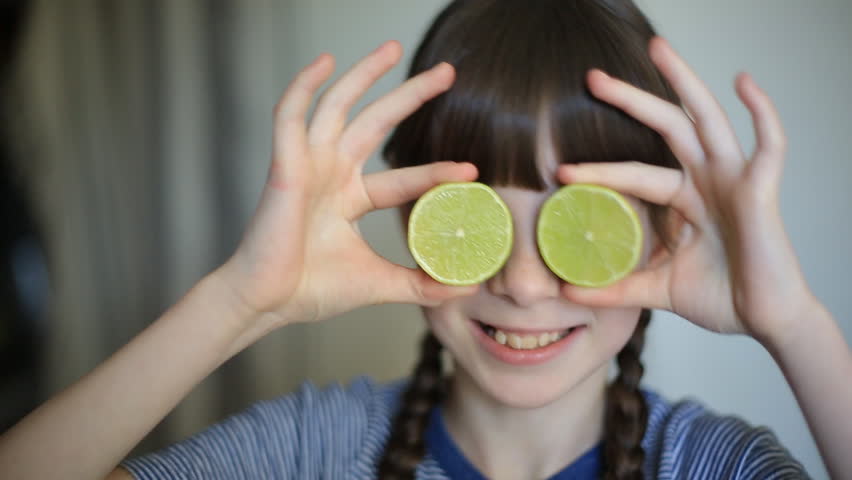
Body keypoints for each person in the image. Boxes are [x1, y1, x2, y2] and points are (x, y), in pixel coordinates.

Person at [1, 1, 849, 479]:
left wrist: (793, 324)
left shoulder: (709, 464)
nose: (523, 284)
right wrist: (240, 300)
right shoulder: (318, 450)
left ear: (663, 232)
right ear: (417, 222)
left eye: (574, 222)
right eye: (478, 217)